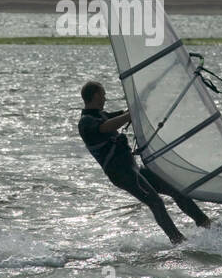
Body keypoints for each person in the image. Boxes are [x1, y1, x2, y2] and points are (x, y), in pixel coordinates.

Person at [77, 80, 212, 244]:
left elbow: (127, 113)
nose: (105, 98)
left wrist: (146, 91)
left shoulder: (101, 114)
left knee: (175, 189)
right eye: (103, 95)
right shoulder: (86, 121)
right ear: (96, 95)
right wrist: (130, 115)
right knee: (155, 202)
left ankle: (205, 223)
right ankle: (178, 240)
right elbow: (106, 127)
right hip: (121, 173)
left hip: (133, 168)